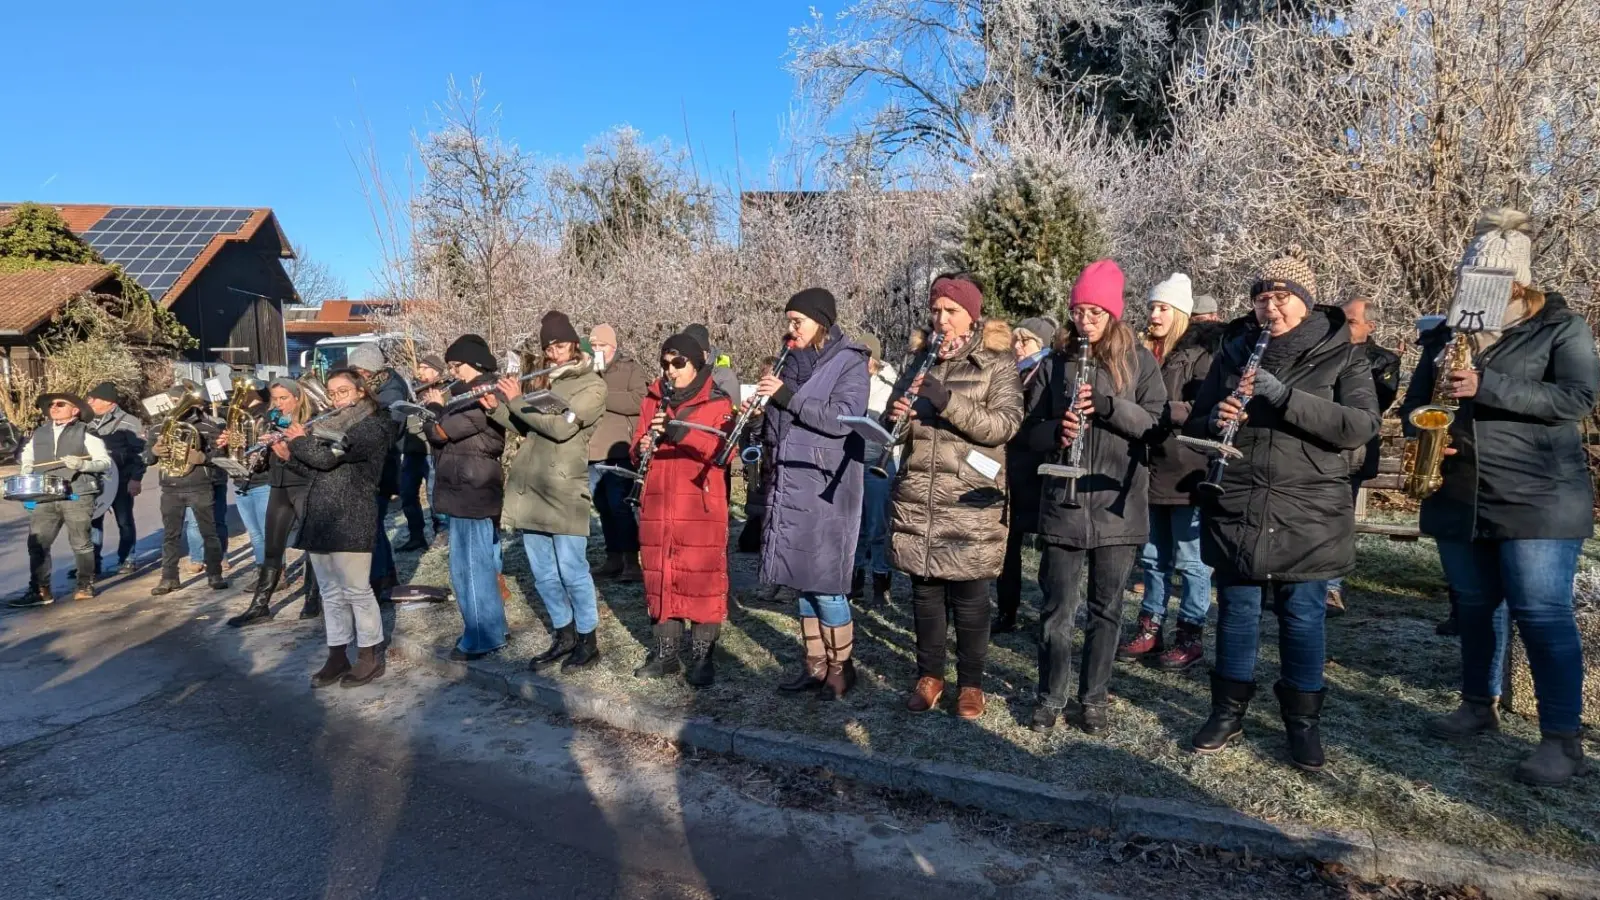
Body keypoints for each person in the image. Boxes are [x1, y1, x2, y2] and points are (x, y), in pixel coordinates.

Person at [1411, 209, 1598, 786]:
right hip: (1461, 490)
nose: (1476, 287)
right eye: (1469, 276)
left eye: (1489, 278)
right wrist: (1429, 430)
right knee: (1473, 604)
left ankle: (1562, 740)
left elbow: (1578, 399)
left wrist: (1486, 384)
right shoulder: (1447, 332)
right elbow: (1417, 402)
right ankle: (1478, 704)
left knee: (1540, 611)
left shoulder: (1561, 327)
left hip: (1539, 494)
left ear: (1517, 281)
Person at [1183, 246, 1379, 773]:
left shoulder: (1344, 354)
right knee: (1237, 612)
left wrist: (1282, 395)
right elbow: (1197, 421)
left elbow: (1359, 427)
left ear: (1306, 302)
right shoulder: (1234, 351)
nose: (1270, 307)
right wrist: (1215, 419)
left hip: (1309, 507)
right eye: (1261, 298)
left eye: (1281, 297)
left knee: (1302, 616)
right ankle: (1227, 713)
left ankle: (1302, 724)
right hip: (1240, 499)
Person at [1023, 262, 1166, 734]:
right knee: (1056, 611)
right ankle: (1050, 695)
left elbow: (1154, 426)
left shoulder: (1139, 361)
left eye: (1095, 312)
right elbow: (1028, 431)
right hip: (1063, 503)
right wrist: (1056, 432)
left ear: (1113, 313)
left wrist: (1107, 407)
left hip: (1116, 504)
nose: (1085, 321)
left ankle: (1094, 698)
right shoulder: (1055, 362)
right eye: (1078, 311)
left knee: (1107, 611)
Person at [891, 274, 1024, 720]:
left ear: (972, 315)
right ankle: (929, 676)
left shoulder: (996, 363)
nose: (941, 319)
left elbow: (1004, 425)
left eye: (951, 311)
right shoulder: (919, 359)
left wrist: (947, 401)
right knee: (925, 592)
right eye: (936, 311)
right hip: (920, 495)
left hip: (969, 497)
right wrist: (898, 417)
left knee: (970, 598)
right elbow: (904, 427)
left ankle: (971, 684)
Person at [756, 289, 870, 700]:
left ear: (820, 321)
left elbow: (843, 418)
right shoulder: (790, 360)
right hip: (791, 480)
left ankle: (842, 668)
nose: (791, 329)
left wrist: (785, 397)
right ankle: (815, 664)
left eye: (797, 321)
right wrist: (764, 413)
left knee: (826, 583)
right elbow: (783, 421)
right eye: (788, 321)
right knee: (801, 579)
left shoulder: (850, 361)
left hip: (827, 485)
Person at [487, 312, 608, 673]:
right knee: (543, 574)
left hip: (564, 489)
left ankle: (588, 641)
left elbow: (559, 428)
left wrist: (517, 400)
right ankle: (564, 634)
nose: (553, 353)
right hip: (532, 487)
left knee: (573, 570)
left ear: (573, 344)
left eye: (559, 345)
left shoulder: (592, 386)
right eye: (548, 348)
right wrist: (497, 409)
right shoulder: (544, 382)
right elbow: (529, 427)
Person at [1118, 273, 1224, 670]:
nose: (1154, 315)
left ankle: (1190, 634)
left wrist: (1163, 411)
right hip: (1148, 466)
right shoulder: (1143, 352)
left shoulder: (1202, 355)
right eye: (1151, 307)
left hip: (1187, 468)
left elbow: (1208, 408)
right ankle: (1150, 627)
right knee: (1152, 557)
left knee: (1191, 560)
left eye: (1163, 308)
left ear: (1179, 312)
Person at [632, 333, 736, 687]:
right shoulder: (653, 399)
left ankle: (703, 657)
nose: (671, 370)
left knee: (701, 580)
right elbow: (637, 442)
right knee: (660, 575)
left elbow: (724, 451)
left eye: (679, 363)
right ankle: (666, 655)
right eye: (665, 363)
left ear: (697, 364)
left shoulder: (718, 401)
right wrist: (641, 446)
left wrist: (677, 432)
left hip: (699, 503)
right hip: (658, 500)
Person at [287, 367, 397, 688]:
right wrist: (286, 453)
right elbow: (314, 470)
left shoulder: (374, 425)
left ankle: (369, 656)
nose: (336, 399)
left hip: (352, 516)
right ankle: (337, 655)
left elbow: (327, 459)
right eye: (332, 393)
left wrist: (298, 442)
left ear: (361, 391)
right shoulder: (330, 424)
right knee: (330, 593)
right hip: (322, 516)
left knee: (357, 592)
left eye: (343, 392)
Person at [422, 335, 509, 660]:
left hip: (472, 488)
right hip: (464, 486)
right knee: (477, 564)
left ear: (475, 364)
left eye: (457, 365)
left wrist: (434, 409)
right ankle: (492, 628)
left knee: (470, 568)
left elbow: (441, 432)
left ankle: (482, 637)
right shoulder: (464, 395)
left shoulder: (483, 394)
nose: (453, 372)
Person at [1323, 296, 1401, 616]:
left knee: (1339, 520)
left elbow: (1375, 402)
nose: (1344, 327)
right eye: (1340, 320)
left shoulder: (1384, 361)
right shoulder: (1321, 350)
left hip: (1352, 451)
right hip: (1315, 444)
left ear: (1371, 326)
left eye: (1352, 322)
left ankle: (1331, 587)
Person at [226, 378, 323, 626]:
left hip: (303, 486)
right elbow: (263, 460)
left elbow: (317, 459)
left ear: (297, 397)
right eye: (275, 399)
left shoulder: (313, 421)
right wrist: (254, 447)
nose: (278, 404)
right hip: (278, 485)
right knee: (272, 546)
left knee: (311, 545)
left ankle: (313, 599)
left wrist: (290, 451)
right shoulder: (271, 419)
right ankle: (260, 606)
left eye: (284, 398)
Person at [11, 392, 111, 607]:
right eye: (51, 405)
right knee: (37, 543)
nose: (53, 407)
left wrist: (83, 465)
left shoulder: (86, 432)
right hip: (46, 494)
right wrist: (26, 467)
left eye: (60, 404)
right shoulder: (40, 432)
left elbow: (104, 462)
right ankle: (40, 590)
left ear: (75, 410)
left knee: (81, 543)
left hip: (78, 493)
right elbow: (27, 455)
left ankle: (85, 585)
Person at [996, 315, 1057, 633]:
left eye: (1026, 340)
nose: (1018, 346)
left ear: (1042, 344)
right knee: (1008, 544)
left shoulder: (1048, 371)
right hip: (1011, 468)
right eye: (1016, 339)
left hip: (1038, 469)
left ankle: (1049, 615)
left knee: (1049, 548)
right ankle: (1006, 610)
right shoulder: (1010, 372)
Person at [147, 388, 229, 596]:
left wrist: (203, 458)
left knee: (209, 532)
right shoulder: (158, 428)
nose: (177, 405)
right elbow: (146, 458)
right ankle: (169, 577)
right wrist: (154, 452)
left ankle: (215, 574)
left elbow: (221, 456)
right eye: (174, 400)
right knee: (170, 535)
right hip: (171, 488)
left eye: (180, 400)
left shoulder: (207, 427)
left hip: (200, 486)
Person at [347, 342, 412, 600]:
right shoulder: (379, 386)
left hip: (383, 467)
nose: (354, 377)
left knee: (373, 525)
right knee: (374, 525)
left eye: (357, 372)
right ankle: (385, 577)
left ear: (369, 370)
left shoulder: (391, 391)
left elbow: (387, 430)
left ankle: (381, 579)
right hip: (377, 466)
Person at [587, 323, 649, 581]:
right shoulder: (586, 370)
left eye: (601, 345)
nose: (597, 350)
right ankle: (613, 557)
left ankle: (631, 561)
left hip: (619, 449)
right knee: (602, 506)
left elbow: (640, 401)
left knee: (620, 505)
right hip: (592, 450)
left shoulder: (631, 369)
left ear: (613, 346)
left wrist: (601, 394)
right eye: (593, 345)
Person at [851, 334, 899, 606]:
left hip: (878, 461)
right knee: (854, 524)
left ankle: (882, 583)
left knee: (878, 525)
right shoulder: (849, 380)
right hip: (853, 461)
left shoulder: (890, 384)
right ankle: (854, 580)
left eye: (865, 355)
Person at [84, 382, 146, 576]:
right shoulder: (86, 421)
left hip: (122, 480)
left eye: (94, 399)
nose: (90, 402)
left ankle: (127, 559)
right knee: (93, 521)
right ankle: (92, 564)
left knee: (124, 520)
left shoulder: (130, 422)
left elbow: (140, 453)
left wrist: (136, 478)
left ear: (108, 402)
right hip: (93, 481)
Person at [216, 382, 274, 577]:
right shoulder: (237, 416)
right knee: (255, 534)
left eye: (242, 391)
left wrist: (248, 442)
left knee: (268, 532)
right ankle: (261, 569)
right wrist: (227, 444)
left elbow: (268, 445)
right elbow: (233, 451)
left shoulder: (267, 413)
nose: (237, 395)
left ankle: (275, 572)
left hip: (262, 480)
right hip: (241, 481)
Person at [413, 354, 450, 541]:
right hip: (412, 448)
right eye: (419, 367)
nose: (419, 372)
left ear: (436, 371)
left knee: (433, 491)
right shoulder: (415, 389)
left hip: (431, 448)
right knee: (407, 493)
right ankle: (416, 535)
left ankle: (442, 530)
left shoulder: (444, 390)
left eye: (424, 368)